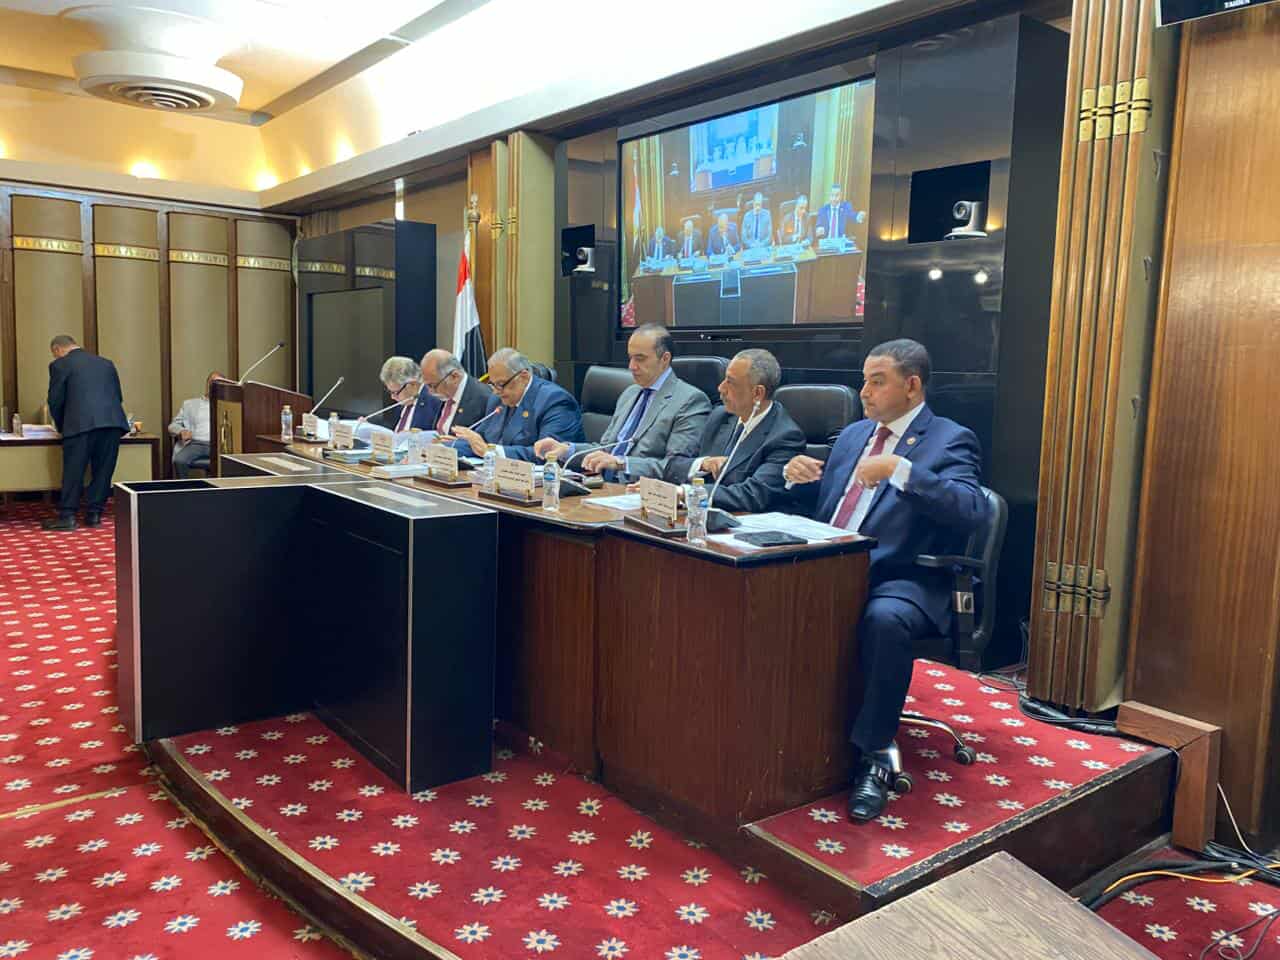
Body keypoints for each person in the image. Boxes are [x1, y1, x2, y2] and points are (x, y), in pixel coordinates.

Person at [783, 339, 986, 823]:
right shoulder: (854, 435)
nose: (864, 392)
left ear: (912, 386)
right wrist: (796, 477)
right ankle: (786, 730)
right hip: (829, 565)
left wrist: (900, 470)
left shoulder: (950, 439)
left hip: (901, 577)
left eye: (877, 382)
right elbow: (831, 504)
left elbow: (971, 509)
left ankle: (873, 754)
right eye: (864, 381)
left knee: (884, 620)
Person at [534, 324, 710, 480]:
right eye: (630, 357)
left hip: (640, 493)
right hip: (602, 487)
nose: (631, 366)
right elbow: (606, 450)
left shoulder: (690, 401)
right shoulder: (630, 393)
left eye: (640, 358)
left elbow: (676, 468)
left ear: (664, 359)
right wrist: (567, 450)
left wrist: (622, 463)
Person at [661, 348, 803, 512]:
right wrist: (703, 464)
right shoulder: (720, 416)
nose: (720, 388)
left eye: (731, 382)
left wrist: (687, 493)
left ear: (757, 393)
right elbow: (673, 465)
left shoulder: (785, 437)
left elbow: (752, 495)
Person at [42, 335, 131, 531]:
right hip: (111, 423)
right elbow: (118, 396)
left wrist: (62, 427)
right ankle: (94, 514)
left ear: (57, 349)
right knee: (103, 470)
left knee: (74, 470)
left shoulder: (60, 365)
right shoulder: (106, 363)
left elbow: (55, 400)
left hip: (80, 424)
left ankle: (68, 516)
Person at [449, 348, 584, 462]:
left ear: (524, 377)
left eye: (501, 384)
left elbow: (547, 454)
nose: (496, 391)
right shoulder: (497, 399)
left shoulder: (555, 400)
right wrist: (447, 448)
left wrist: (490, 451)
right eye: (493, 384)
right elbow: (480, 442)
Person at [420, 349, 491, 436]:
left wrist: (458, 442)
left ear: (454, 376)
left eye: (433, 385)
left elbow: (486, 440)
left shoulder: (483, 398)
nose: (430, 391)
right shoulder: (444, 395)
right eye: (427, 386)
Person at [168, 370, 223, 478]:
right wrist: (182, 431)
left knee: (231, 464)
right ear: (206, 384)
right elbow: (172, 426)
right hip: (196, 444)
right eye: (211, 382)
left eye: (217, 382)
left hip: (218, 446)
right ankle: (185, 487)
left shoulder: (230, 405)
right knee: (179, 460)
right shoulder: (189, 404)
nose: (213, 385)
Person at [376, 356, 440, 432]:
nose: (392, 397)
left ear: (413, 384)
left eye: (395, 392)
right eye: (390, 392)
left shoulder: (434, 401)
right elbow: (392, 429)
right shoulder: (404, 401)